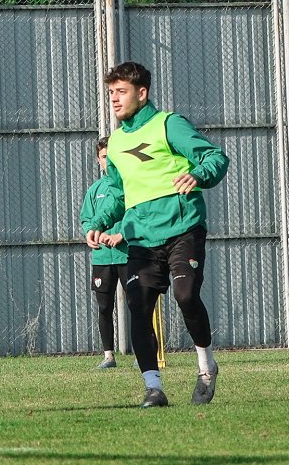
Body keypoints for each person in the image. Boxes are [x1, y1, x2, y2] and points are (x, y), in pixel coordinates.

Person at [85, 62, 229, 408]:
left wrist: (198, 174)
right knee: (139, 307)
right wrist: (100, 221)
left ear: (142, 93)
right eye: (111, 93)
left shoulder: (169, 124)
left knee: (185, 295)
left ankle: (206, 366)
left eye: (121, 92)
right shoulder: (117, 143)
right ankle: (154, 388)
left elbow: (215, 157)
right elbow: (118, 191)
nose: (115, 100)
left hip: (183, 229)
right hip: (142, 239)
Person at [79, 136, 128, 369]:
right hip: (102, 257)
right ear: (98, 160)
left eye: (111, 156)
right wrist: (92, 233)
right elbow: (86, 219)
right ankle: (109, 356)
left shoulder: (130, 185)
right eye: (103, 157)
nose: (107, 161)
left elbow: (139, 215)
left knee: (139, 304)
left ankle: (144, 354)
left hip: (127, 253)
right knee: (104, 306)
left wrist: (122, 235)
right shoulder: (95, 190)